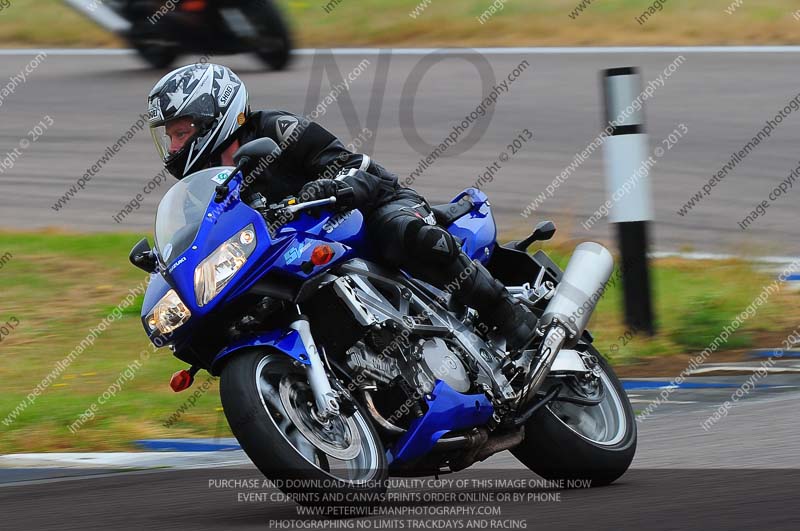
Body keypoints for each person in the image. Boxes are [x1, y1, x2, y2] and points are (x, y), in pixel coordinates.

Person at [147, 63, 537, 350]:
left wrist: (330, 185)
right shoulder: (201, 188)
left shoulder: (279, 130)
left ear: (214, 118)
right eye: (171, 138)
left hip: (365, 210)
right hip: (293, 255)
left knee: (403, 234)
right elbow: (203, 237)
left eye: (181, 133)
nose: (175, 148)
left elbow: (354, 166)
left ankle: (510, 316)